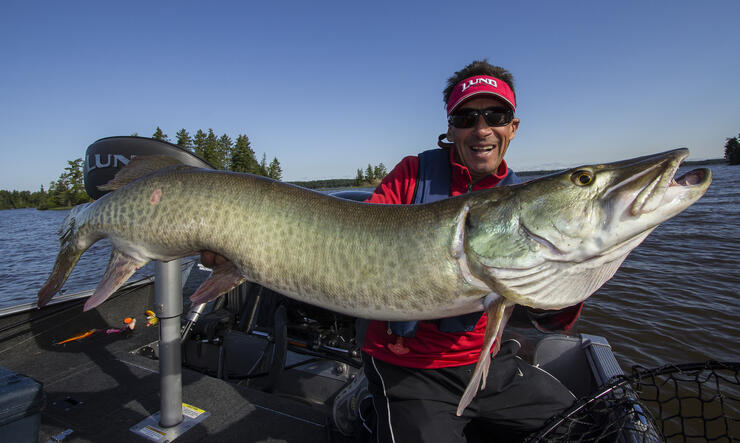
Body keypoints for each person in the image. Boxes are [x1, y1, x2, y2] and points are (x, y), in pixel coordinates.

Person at [355, 60, 583, 442]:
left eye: (495, 115)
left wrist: (572, 276)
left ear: (513, 126)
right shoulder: (413, 174)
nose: (481, 130)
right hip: (408, 368)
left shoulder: (524, 204)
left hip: (487, 363)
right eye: (466, 117)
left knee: (586, 423)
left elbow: (549, 319)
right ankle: (371, 407)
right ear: (450, 128)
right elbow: (358, 238)